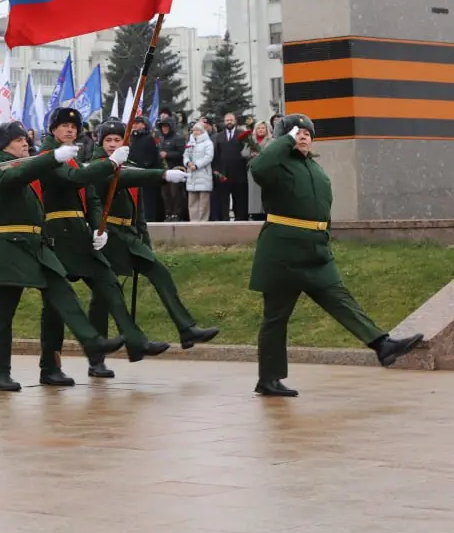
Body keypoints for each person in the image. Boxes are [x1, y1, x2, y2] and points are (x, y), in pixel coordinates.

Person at [249, 114, 425, 396]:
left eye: (307, 133)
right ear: (283, 138)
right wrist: (284, 141)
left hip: (316, 249)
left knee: (341, 298)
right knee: (275, 318)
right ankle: (268, 379)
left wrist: (324, 238)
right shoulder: (276, 165)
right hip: (283, 253)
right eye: (296, 132)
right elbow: (258, 167)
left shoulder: (313, 167)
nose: (303, 136)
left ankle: (381, 344)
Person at [0, 121, 124, 392]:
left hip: (36, 244)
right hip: (8, 246)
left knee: (62, 290)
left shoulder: (25, 166)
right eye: (18, 140)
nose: (25, 143)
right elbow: (16, 176)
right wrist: (52, 158)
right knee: (3, 313)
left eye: (25, 139)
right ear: (4, 145)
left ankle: (90, 342)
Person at [37, 107, 175, 385]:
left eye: (73, 127)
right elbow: (74, 179)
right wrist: (111, 163)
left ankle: (135, 340)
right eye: (63, 126)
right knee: (55, 307)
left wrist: (97, 227)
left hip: (80, 234)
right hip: (57, 236)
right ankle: (50, 366)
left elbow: (90, 196)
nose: (70, 130)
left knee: (108, 282)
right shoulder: (47, 157)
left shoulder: (72, 157)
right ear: (53, 130)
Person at [87, 120, 219, 377]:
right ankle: (97, 358)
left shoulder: (129, 165)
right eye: (108, 141)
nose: (113, 145)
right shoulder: (98, 166)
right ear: (100, 143)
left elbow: (139, 211)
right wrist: (162, 175)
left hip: (130, 235)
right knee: (104, 297)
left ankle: (186, 329)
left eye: (118, 140)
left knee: (159, 271)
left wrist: (145, 243)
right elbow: (121, 177)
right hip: (107, 234)